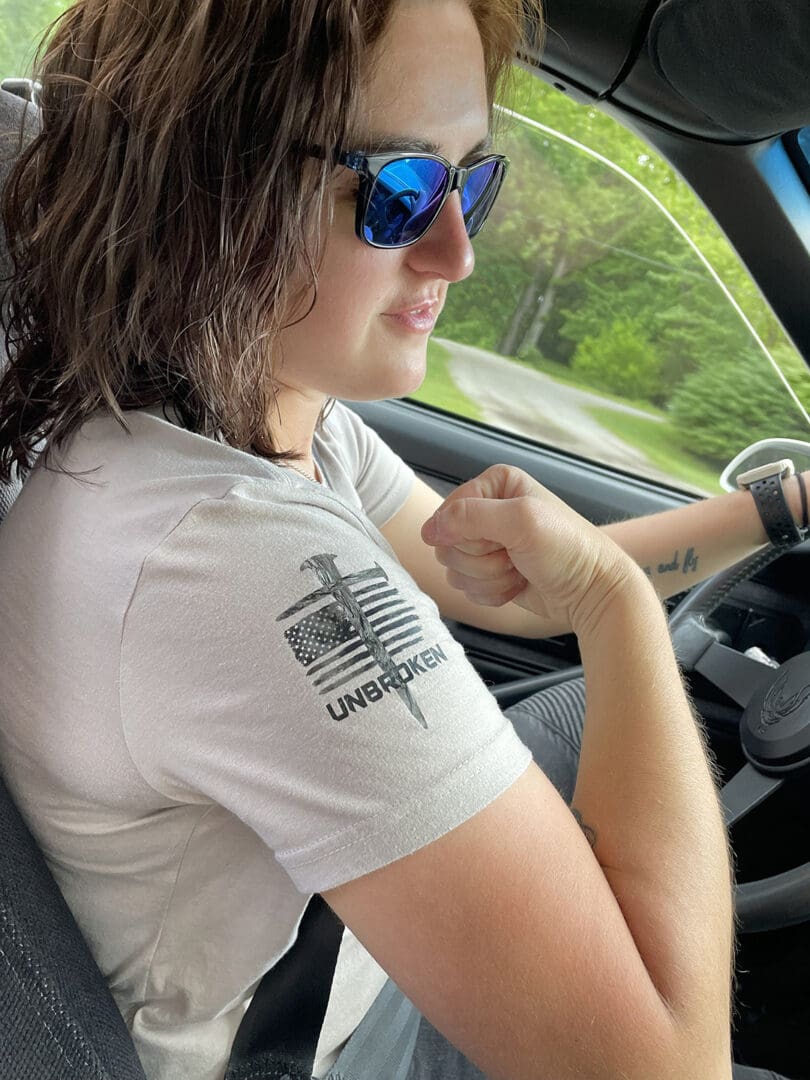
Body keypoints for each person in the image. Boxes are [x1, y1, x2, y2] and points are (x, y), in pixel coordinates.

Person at [0, 2, 803, 1079]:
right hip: (316, 1048)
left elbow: (497, 585)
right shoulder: (229, 558)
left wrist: (779, 510)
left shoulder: (277, 419)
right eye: (400, 191)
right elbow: (665, 1062)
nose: (458, 251)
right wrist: (619, 613)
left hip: (352, 974)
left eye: (471, 180)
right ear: (213, 184)